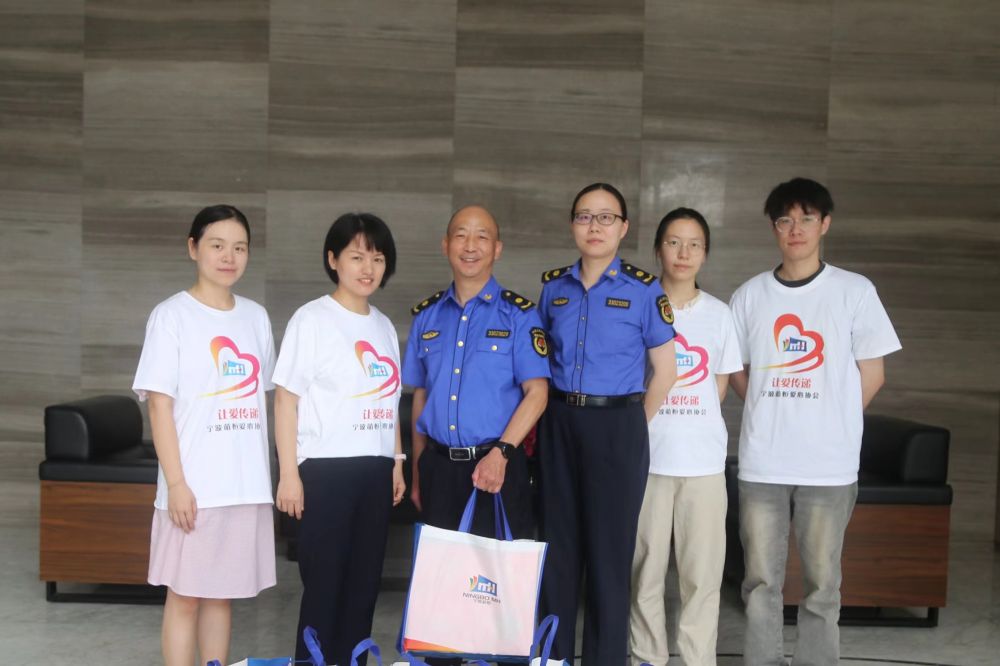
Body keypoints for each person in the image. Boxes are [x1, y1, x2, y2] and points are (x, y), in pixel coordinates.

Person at [729, 178, 901, 665]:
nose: (796, 229)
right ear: (773, 227)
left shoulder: (854, 291)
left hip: (829, 466)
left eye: (806, 218)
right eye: (785, 220)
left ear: (825, 224)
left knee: (823, 585)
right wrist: (767, 406)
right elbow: (736, 370)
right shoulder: (750, 295)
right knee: (760, 582)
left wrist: (834, 417)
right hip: (763, 463)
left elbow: (874, 373)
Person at [402, 205, 550, 666]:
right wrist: (419, 470)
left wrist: (502, 452)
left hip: (498, 470)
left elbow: (538, 393)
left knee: (497, 591)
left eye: (482, 236)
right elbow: (420, 398)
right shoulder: (427, 317)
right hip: (440, 468)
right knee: (440, 592)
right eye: (461, 236)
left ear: (497, 248)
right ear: (445, 245)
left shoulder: (520, 315)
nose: (470, 246)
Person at [538, 183, 678, 665]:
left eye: (605, 217)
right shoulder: (553, 289)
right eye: (584, 216)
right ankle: (553, 658)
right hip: (559, 422)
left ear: (623, 228)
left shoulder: (644, 290)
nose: (594, 227)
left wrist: (630, 424)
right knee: (557, 551)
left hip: (617, 425)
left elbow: (666, 371)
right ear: (572, 225)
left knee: (609, 556)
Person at [133, 205, 276, 666]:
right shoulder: (171, 316)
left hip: (243, 486)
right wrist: (176, 483)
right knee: (185, 596)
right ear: (193, 248)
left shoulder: (255, 318)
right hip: (194, 487)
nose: (229, 257)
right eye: (217, 245)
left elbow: (262, 401)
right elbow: (159, 405)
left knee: (221, 596)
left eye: (239, 247)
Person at [271, 213, 406, 666]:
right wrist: (289, 474)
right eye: (357, 256)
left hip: (375, 472)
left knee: (363, 590)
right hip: (325, 473)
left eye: (378, 258)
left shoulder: (383, 326)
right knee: (324, 591)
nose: (368, 268)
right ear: (333, 260)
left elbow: (390, 400)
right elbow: (285, 400)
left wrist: (397, 461)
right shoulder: (311, 320)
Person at [628, 208, 742, 666]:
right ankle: (647, 658)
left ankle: (698, 660)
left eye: (694, 244)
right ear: (658, 248)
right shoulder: (637, 304)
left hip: (704, 465)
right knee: (645, 573)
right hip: (648, 461)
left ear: (705, 253)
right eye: (674, 242)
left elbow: (719, 387)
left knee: (702, 577)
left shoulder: (719, 314)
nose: (683, 252)